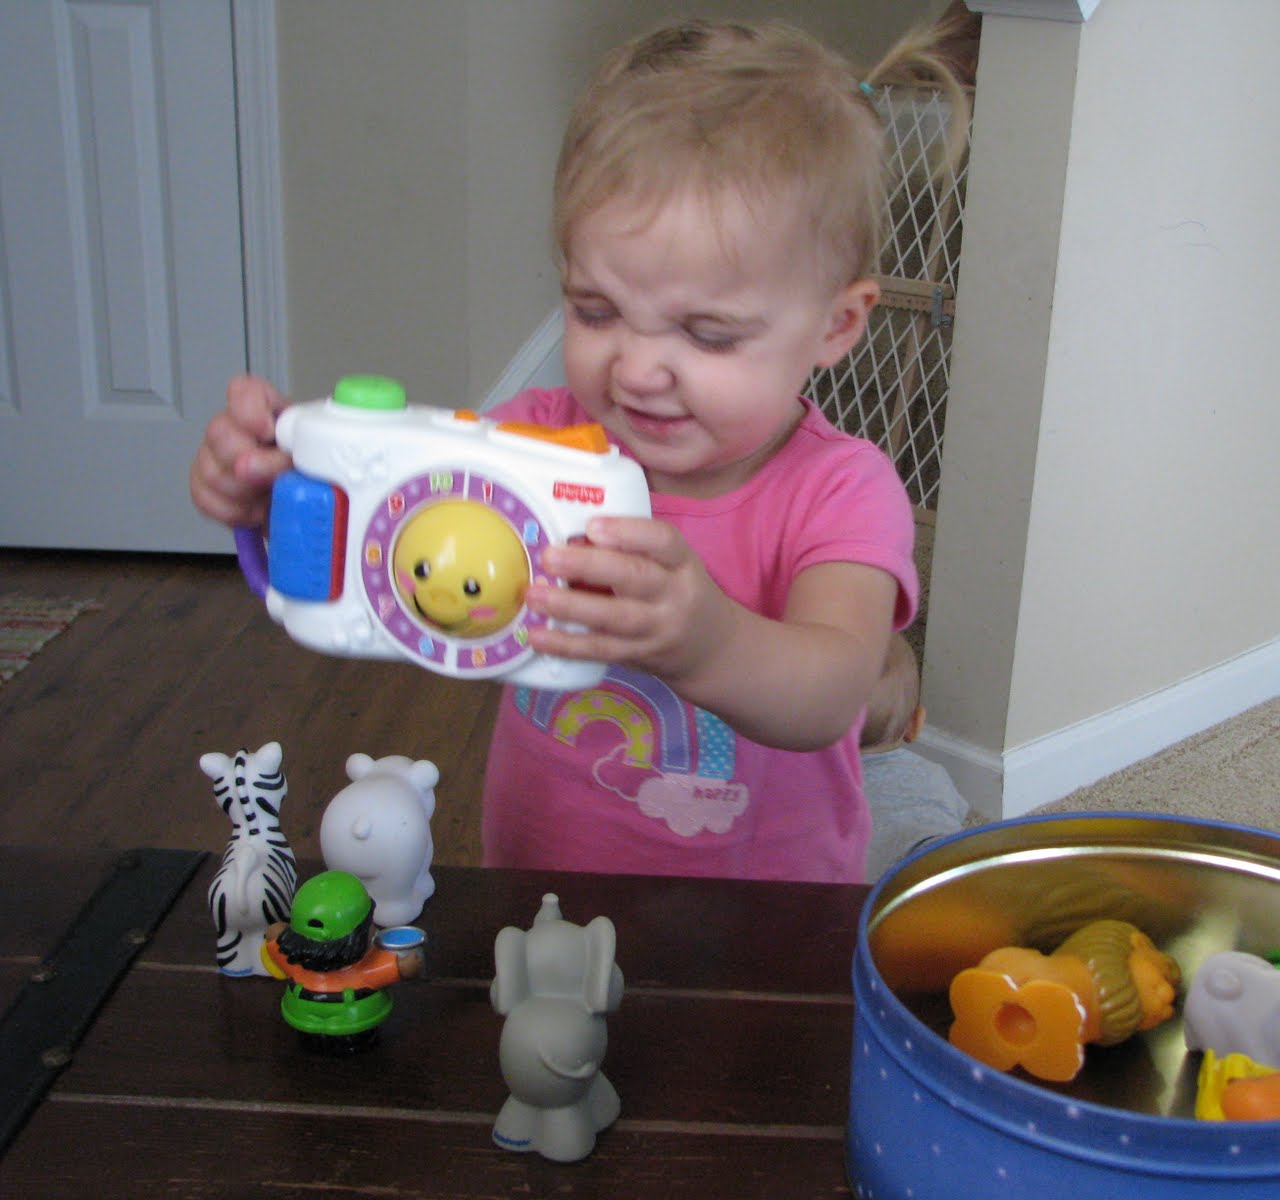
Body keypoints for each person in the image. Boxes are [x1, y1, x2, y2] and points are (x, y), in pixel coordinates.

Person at [188, 17, 971, 884]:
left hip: (761, 911)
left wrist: (708, 644)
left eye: (707, 334)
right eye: (595, 311)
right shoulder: (533, 440)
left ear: (836, 325)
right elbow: (400, 547)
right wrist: (281, 497)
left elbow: (836, 690)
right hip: (537, 879)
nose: (635, 369)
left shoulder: (840, 490)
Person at [860, 633, 969, 881]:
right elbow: (956, 815)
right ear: (916, 724)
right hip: (940, 875)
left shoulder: (805, 787)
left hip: (862, 893)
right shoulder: (933, 775)